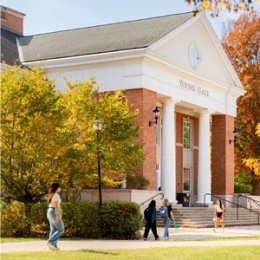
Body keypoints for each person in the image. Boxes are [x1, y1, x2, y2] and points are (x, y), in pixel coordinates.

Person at [46, 182, 64, 250]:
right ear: (57, 188)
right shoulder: (56, 195)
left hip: (50, 211)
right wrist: (57, 215)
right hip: (54, 211)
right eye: (59, 187)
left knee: (53, 229)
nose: (60, 188)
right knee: (61, 229)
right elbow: (56, 206)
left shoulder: (51, 194)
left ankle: (53, 246)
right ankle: (50, 242)